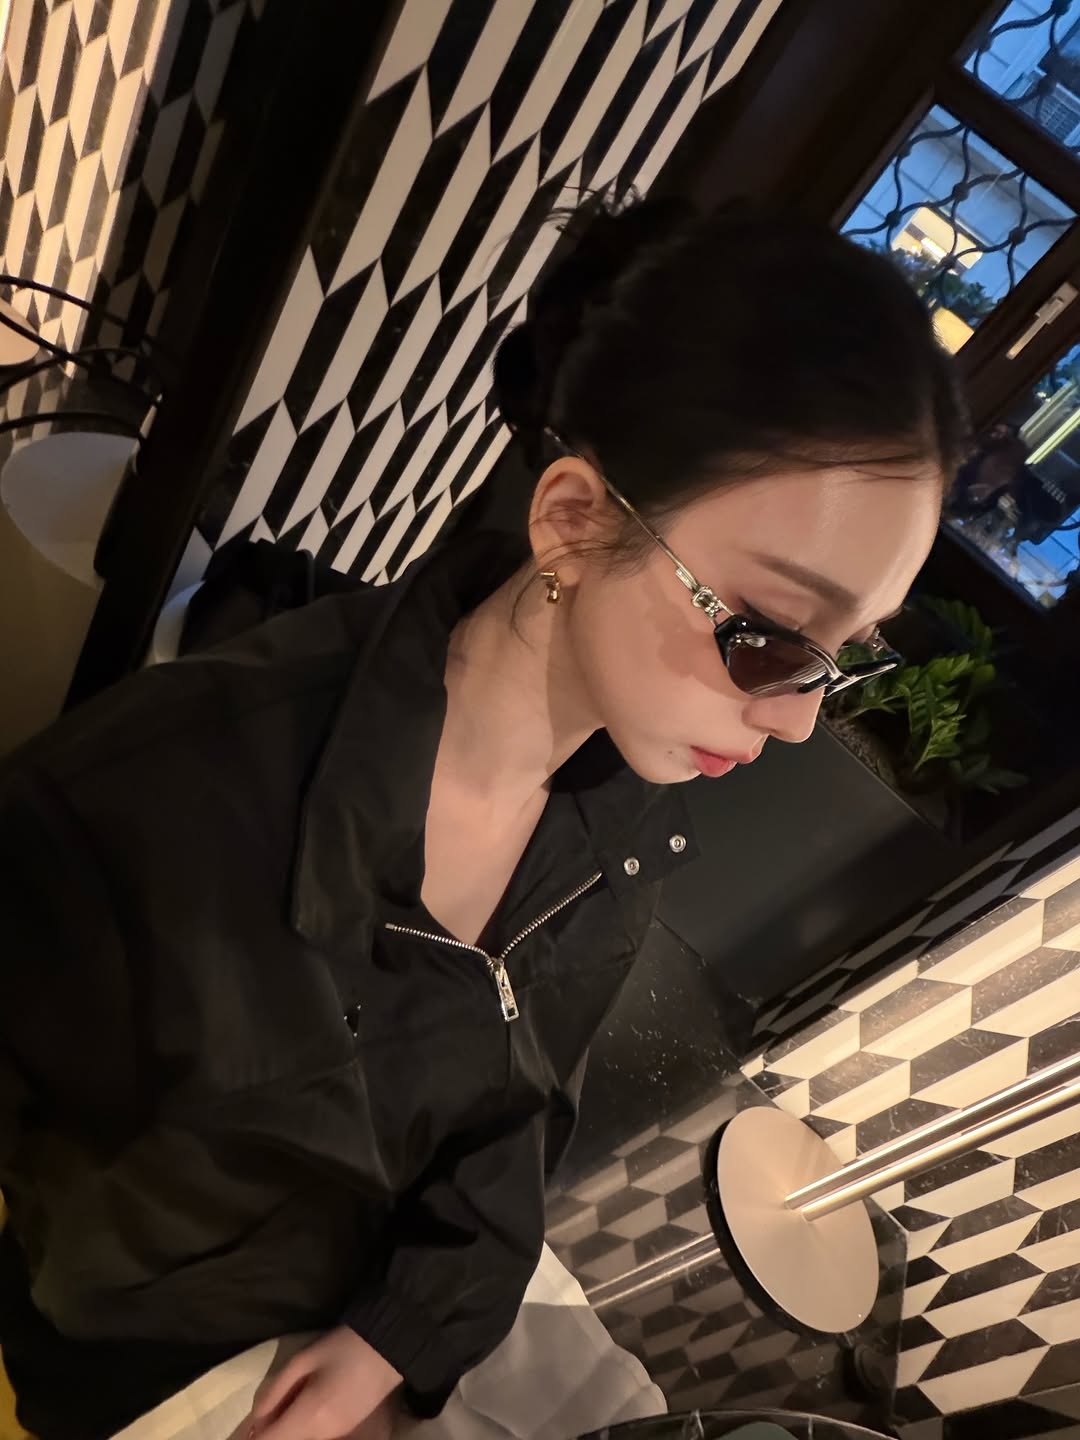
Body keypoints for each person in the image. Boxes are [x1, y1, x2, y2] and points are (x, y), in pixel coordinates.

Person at [0, 198, 966, 1440]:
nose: (793, 722)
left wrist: (395, 1338)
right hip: (145, 1363)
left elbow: (515, 1123)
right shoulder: (155, 802)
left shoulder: (623, 820)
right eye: (771, 636)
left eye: (842, 657)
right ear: (572, 519)